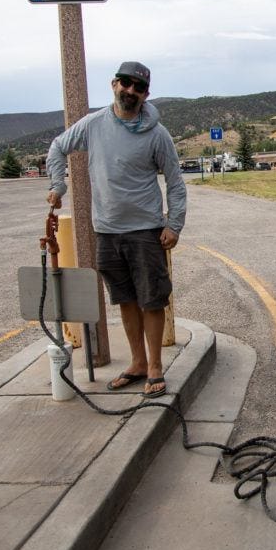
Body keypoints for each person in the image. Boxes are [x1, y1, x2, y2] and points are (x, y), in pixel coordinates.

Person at [46, 61, 186, 399]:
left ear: (146, 94)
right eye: (126, 84)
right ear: (113, 84)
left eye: (138, 87)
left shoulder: (157, 134)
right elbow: (57, 147)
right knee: (125, 299)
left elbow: (176, 182)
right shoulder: (93, 125)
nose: (131, 91)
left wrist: (174, 224)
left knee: (151, 301)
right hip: (107, 232)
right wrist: (57, 185)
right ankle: (137, 363)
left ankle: (154, 367)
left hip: (146, 231)